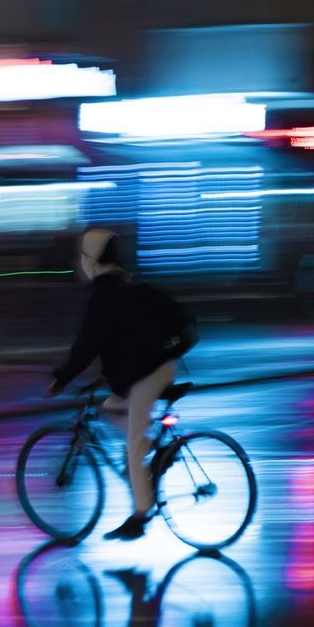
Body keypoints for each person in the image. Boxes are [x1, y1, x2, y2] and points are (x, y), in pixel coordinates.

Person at [48, 228, 195, 541]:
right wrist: (103, 376)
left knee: (132, 446)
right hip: (153, 368)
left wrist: (63, 378)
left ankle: (141, 514)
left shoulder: (105, 295)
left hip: (150, 375)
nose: (79, 263)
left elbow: (87, 345)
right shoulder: (120, 287)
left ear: (92, 259)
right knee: (110, 406)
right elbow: (123, 344)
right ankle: (154, 451)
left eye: (82, 257)